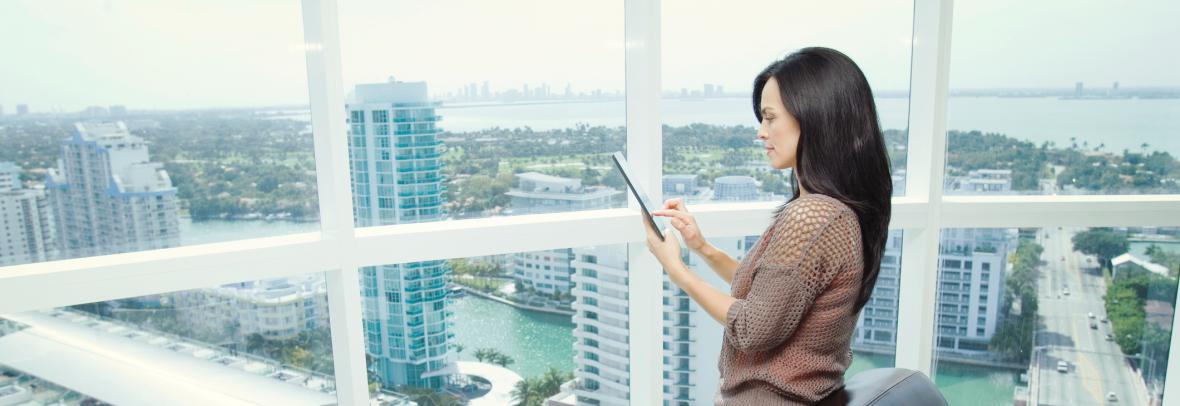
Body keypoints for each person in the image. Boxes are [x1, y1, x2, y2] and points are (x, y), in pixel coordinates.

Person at [643, 47, 893, 405]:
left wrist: (675, 269)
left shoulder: (812, 217)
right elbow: (774, 295)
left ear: (815, 117)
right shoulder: (833, 211)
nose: (761, 133)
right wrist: (701, 246)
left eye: (770, 117)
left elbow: (751, 328)